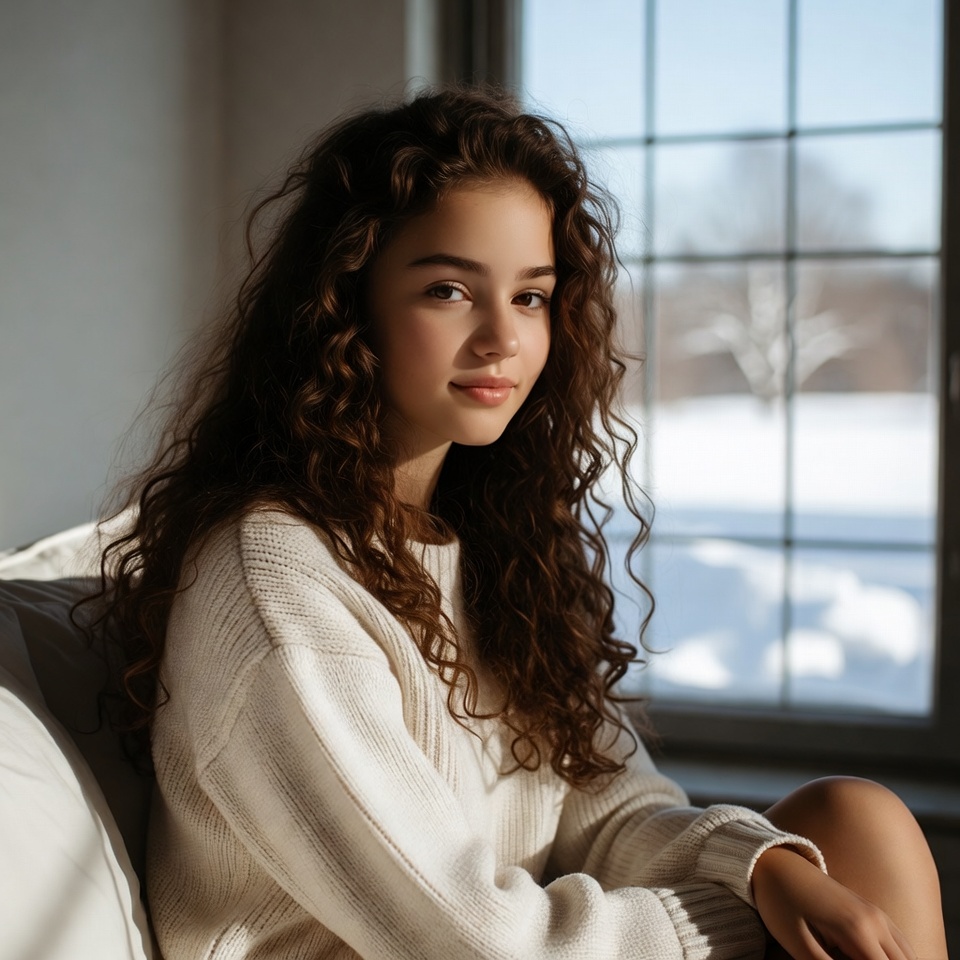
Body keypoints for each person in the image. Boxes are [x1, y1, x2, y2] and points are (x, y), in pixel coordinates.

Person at [89, 88, 949, 960]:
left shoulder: (491, 549)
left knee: (852, 821)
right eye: (450, 289)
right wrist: (741, 918)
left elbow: (611, 814)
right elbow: (475, 943)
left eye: (532, 297)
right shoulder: (273, 578)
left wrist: (761, 867)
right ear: (348, 306)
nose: (502, 336)